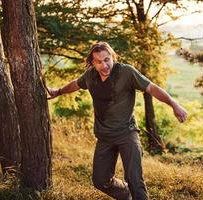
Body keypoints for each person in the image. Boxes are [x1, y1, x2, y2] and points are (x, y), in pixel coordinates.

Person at [47, 42, 187, 200]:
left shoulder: (126, 72)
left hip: (127, 133)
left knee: (135, 181)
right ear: (93, 63)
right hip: (105, 136)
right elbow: (76, 84)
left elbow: (152, 88)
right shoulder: (90, 76)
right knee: (100, 181)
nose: (104, 65)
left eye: (107, 60)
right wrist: (58, 92)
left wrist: (174, 104)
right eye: (99, 62)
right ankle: (125, 194)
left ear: (112, 57)